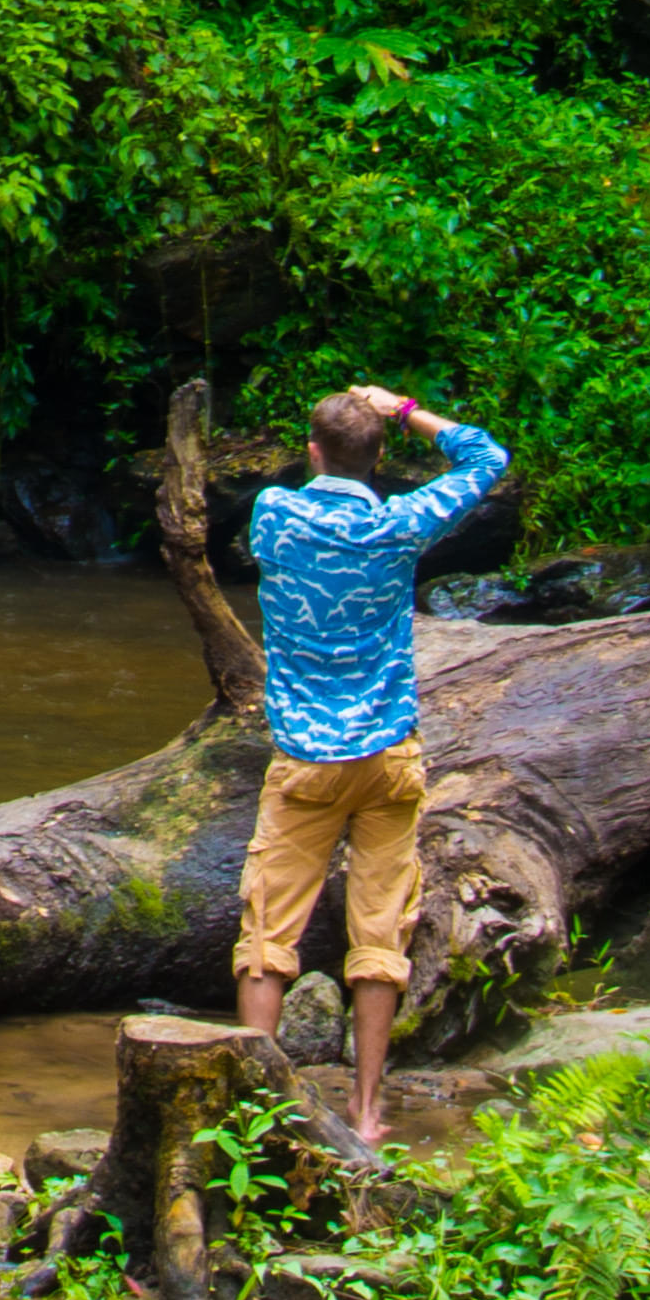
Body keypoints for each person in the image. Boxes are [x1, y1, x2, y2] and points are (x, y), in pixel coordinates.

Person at [231, 379, 508, 1152]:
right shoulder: (398, 525)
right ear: (380, 459)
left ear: (312, 452)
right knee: (379, 931)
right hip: (388, 755)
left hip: (305, 761)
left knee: (267, 931)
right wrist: (408, 410)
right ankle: (364, 1112)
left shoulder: (273, 515)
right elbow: (487, 456)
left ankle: (256, 1110)